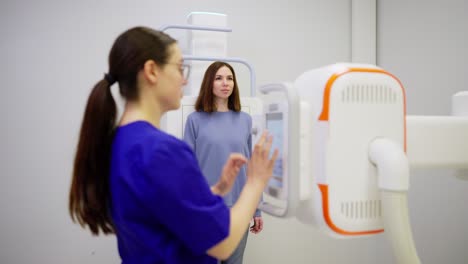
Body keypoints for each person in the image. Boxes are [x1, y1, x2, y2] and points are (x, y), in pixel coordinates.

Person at [68, 26, 277, 264]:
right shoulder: (162, 151)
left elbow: (164, 210)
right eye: (179, 68)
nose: (184, 78)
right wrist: (256, 181)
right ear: (151, 71)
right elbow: (221, 245)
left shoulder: (119, 141)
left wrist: (217, 189)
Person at [184, 61, 263, 264]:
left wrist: (257, 209)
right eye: (219, 78)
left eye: (230, 78)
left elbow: (254, 166)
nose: (225, 83)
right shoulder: (195, 120)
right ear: (209, 83)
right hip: (207, 209)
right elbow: (188, 170)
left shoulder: (246, 120)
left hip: (240, 208)